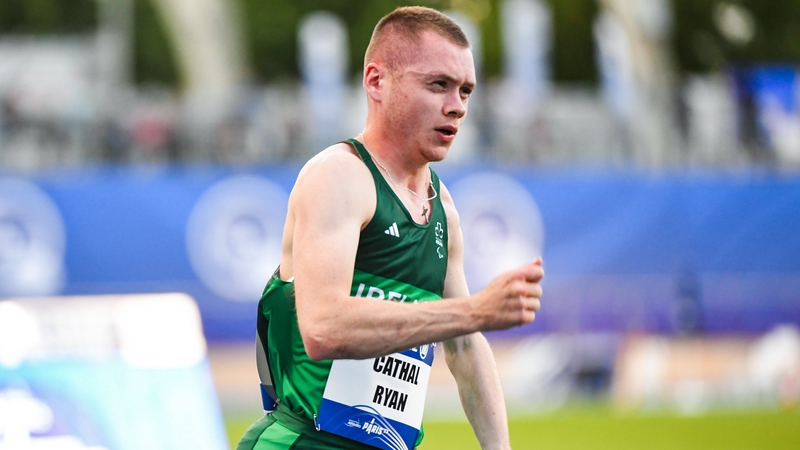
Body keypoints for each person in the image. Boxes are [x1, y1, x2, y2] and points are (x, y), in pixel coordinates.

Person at [237, 6, 543, 450]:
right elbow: (324, 328)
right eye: (438, 84)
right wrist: (474, 311)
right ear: (377, 81)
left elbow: (463, 347)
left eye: (466, 91)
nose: (457, 106)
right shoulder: (339, 176)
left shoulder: (443, 209)